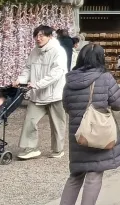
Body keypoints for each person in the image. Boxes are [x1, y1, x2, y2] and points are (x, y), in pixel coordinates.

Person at [60, 44, 120, 205]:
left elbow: (67, 106)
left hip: (78, 133)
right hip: (99, 131)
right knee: (94, 175)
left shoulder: (69, 80)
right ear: (100, 58)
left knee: (76, 175)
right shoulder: (105, 78)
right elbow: (118, 104)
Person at [17, 25, 69, 160]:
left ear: (50, 36)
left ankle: (58, 150)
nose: (38, 38)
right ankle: (30, 148)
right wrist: (20, 80)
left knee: (57, 123)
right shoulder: (34, 51)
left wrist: (38, 84)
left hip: (55, 94)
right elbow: (27, 68)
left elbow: (57, 73)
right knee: (30, 120)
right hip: (37, 93)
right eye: (36, 35)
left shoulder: (58, 51)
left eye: (41, 36)